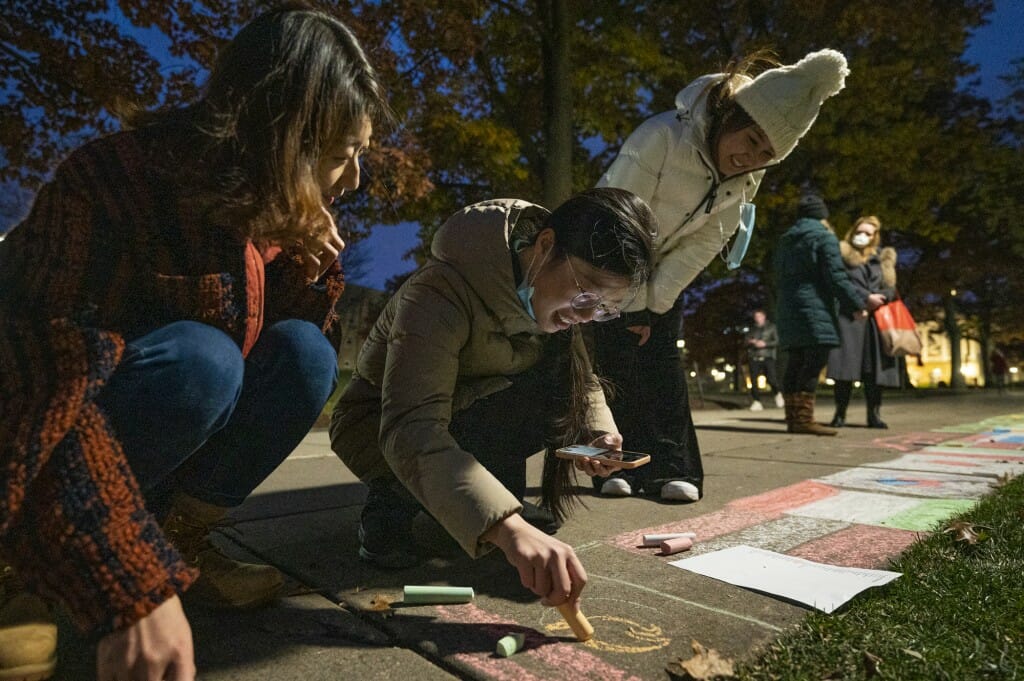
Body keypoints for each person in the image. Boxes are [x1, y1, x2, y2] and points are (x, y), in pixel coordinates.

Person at [0, 5, 388, 679]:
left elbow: (289, 367)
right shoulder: (113, 181)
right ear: (275, 136)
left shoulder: (282, 210)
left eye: (358, 155)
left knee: (307, 355)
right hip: (28, 455)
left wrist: (307, 267)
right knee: (200, 363)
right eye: (336, 156)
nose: (351, 181)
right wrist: (127, 575)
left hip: (136, 461)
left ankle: (180, 539)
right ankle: (18, 565)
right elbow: (40, 380)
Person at [330, 188, 656, 610]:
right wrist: (507, 529)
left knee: (547, 387)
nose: (587, 313)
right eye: (586, 293)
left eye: (605, 307)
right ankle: (388, 510)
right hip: (378, 430)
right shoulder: (439, 290)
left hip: (467, 413)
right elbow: (411, 427)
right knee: (493, 420)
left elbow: (581, 381)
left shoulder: (551, 300)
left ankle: (492, 503)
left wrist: (598, 433)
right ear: (544, 246)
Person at [593, 49, 849, 499]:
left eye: (766, 154)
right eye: (750, 140)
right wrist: (630, 303)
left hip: (659, 278)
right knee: (617, 364)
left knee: (664, 367)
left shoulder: (747, 179)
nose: (749, 158)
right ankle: (618, 466)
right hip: (605, 259)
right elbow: (618, 221)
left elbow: (705, 242)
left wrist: (655, 304)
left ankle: (674, 467)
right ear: (732, 115)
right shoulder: (662, 137)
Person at [774, 193, 881, 435]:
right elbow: (836, 277)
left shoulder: (785, 240)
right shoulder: (824, 238)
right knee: (813, 362)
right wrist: (856, 305)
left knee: (795, 362)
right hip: (815, 307)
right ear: (822, 216)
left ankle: (793, 418)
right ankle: (803, 420)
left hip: (788, 308)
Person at [826, 216, 900, 428]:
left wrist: (879, 299)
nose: (863, 236)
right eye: (860, 231)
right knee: (844, 370)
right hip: (850, 318)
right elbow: (840, 283)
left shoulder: (883, 259)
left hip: (876, 321)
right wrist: (864, 299)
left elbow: (890, 287)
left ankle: (874, 414)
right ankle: (840, 414)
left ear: (875, 236)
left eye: (868, 233)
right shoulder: (842, 255)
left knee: (874, 371)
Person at [745, 309, 783, 411]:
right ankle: (757, 401)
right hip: (754, 356)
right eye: (756, 316)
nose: (758, 318)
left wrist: (765, 344)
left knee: (771, 379)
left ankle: (777, 394)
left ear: (764, 316)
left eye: (759, 316)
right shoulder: (752, 329)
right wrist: (752, 342)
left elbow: (777, 341)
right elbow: (746, 340)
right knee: (753, 380)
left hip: (768, 356)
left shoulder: (772, 327)